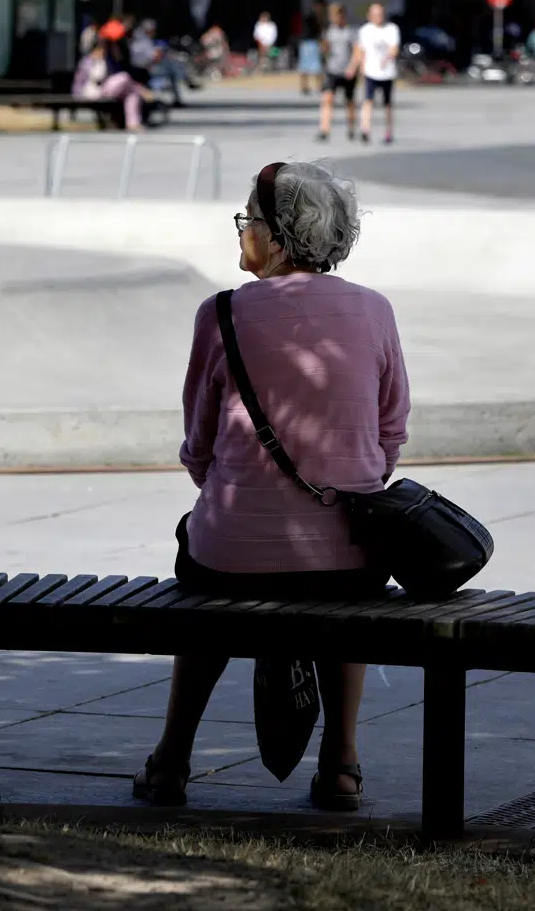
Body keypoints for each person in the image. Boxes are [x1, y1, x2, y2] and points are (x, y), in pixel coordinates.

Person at [135, 161, 410, 813]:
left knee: (202, 562)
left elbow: (198, 445)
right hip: (344, 559)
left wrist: (240, 495)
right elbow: (390, 433)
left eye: (248, 221)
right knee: (355, 587)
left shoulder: (223, 314)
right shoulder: (374, 310)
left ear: (279, 236)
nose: (241, 232)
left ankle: (172, 758)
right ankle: (341, 763)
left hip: (232, 553)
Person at [71, 39, 152, 131]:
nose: (102, 52)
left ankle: (133, 123)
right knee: (124, 77)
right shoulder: (87, 62)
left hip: (105, 89)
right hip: (91, 91)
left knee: (132, 95)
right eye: (100, 49)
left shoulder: (106, 61)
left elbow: (111, 76)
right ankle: (142, 91)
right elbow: (88, 80)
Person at [355, 3, 400, 145]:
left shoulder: (391, 29)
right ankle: (365, 130)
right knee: (368, 100)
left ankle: (388, 131)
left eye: (380, 14)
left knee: (387, 103)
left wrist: (387, 58)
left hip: (387, 72)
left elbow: (394, 48)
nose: (378, 17)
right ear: (369, 16)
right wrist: (361, 67)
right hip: (371, 71)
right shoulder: (365, 30)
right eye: (375, 15)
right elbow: (360, 50)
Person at [318, 3, 359, 142]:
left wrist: (352, 67)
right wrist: (323, 48)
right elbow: (325, 49)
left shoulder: (350, 31)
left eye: (336, 15)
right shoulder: (329, 31)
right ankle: (324, 129)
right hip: (332, 69)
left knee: (349, 101)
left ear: (342, 16)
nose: (334, 18)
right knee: (327, 99)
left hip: (347, 71)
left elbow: (357, 51)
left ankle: (351, 128)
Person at [298, 4, 324, 95]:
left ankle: (317, 86)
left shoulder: (311, 17)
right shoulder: (311, 17)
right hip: (310, 43)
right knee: (311, 66)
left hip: (309, 43)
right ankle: (306, 86)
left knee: (311, 66)